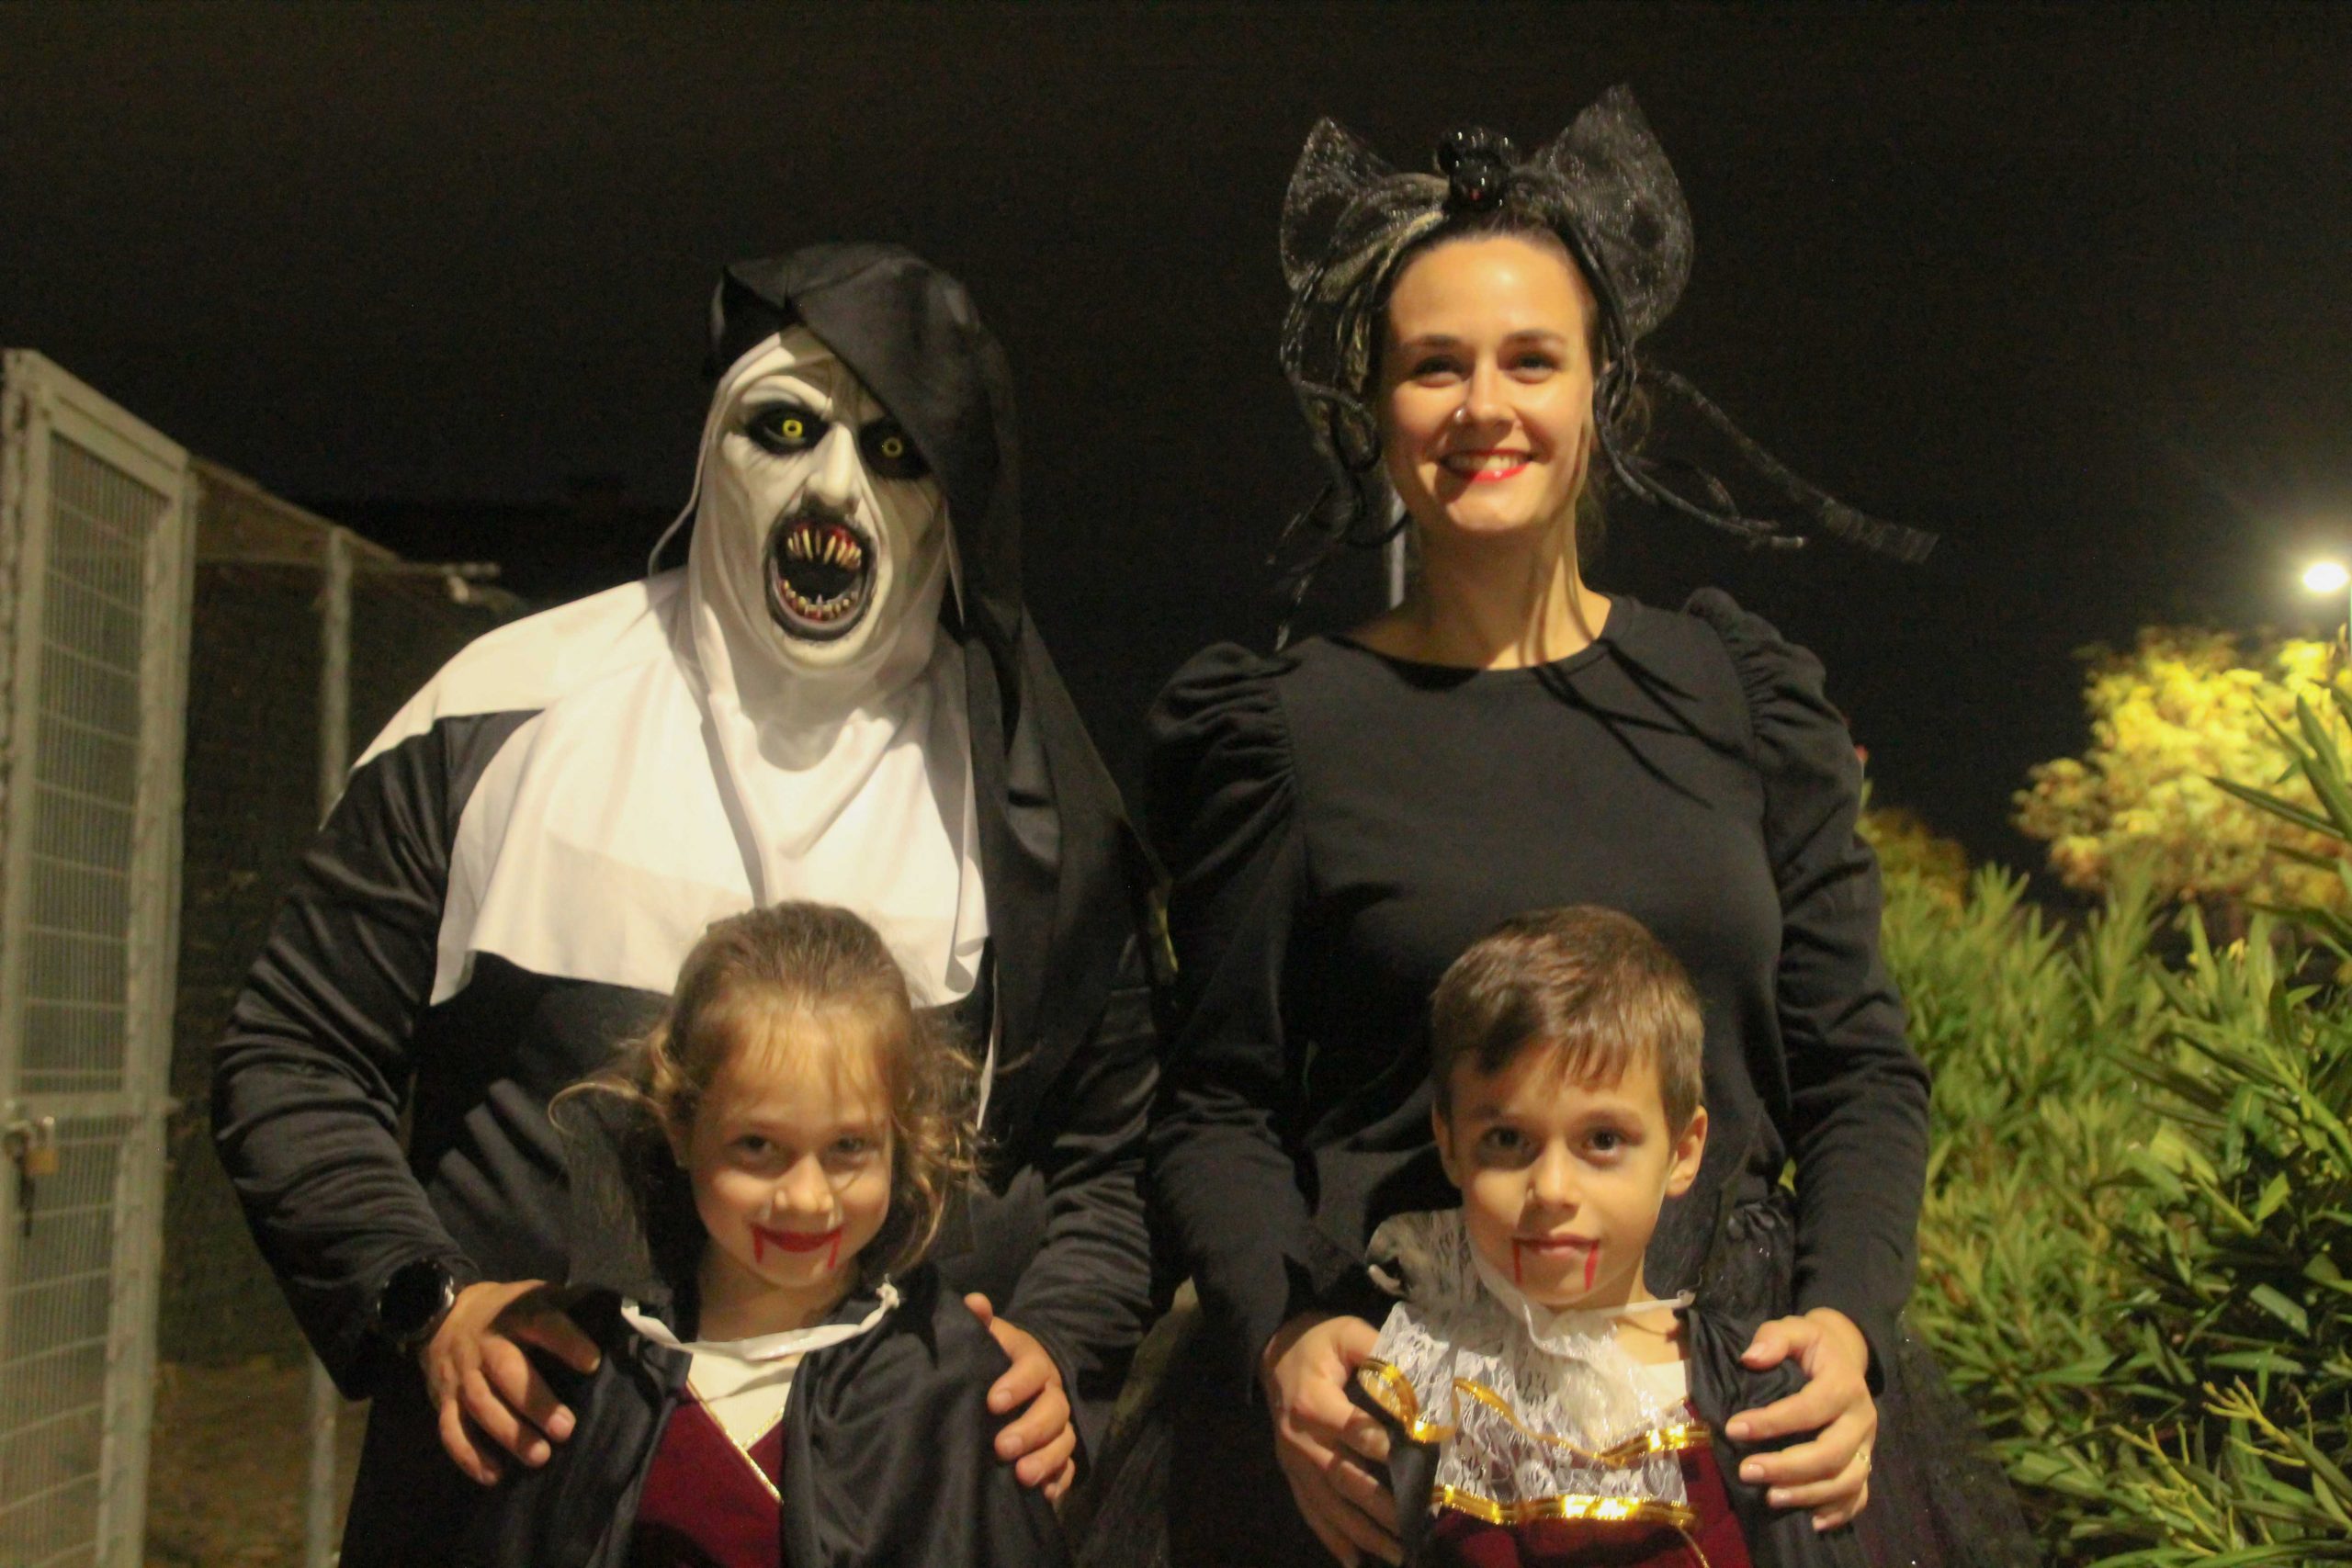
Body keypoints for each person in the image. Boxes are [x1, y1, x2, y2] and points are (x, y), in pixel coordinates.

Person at [213, 244, 1155, 1565]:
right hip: (525, 1505)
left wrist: (1066, 1340)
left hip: (917, 1505)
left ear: (949, 497)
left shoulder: (1036, 798)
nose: (833, 490)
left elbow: (1118, 1148)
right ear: (714, 451)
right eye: (786, 429)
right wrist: (426, 1300)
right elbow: (293, 1051)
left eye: (894, 450)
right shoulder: (501, 713)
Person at [1146, 91, 1944, 1567]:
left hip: (1733, 1416)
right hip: (1398, 1435)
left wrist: (1849, 1321)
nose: (1482, 405)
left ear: (1603, 392)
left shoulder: (1740, 696)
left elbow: (1857, 1063)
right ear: (1372, 406)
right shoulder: (1288, 731)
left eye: (1531, 358)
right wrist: (1276, 1330)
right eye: (1432, 364)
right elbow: (1215, 1100)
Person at [458, 900, 1068, 1567]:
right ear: (681, 1126)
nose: (806, 1198)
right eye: (757, 1145)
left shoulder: (950, 1393)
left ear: (902, 1138)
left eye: (848, 1147)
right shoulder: (590, 1368)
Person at [1351, 905, 1867, 1568]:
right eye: (1507, 1139)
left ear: (1683, 1150)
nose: (1552, 1189)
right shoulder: (1406, 1385)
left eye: (1602, 1139)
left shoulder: (1752, 1402)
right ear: (1449, 1142)